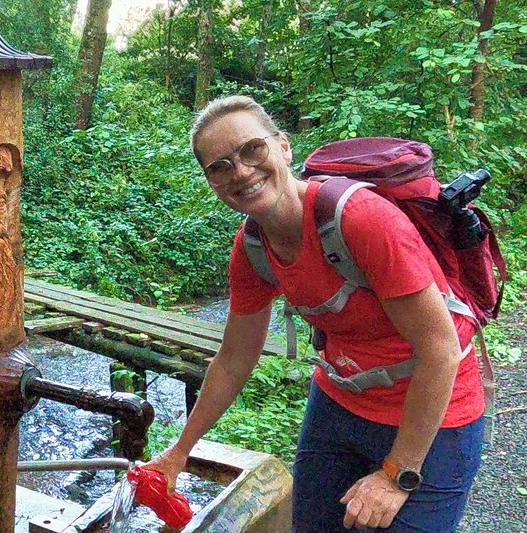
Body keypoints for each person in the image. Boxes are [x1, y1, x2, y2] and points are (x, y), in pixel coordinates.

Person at [143, 95, 484, 532]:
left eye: (252, 149)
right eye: (219, 166)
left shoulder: (361, 220)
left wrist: (398, 475)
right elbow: (233, 360)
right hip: (340, 404)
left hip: (435, 417)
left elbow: (441, 350)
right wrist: (179, 450)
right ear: (211, 181)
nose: (241, 172)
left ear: (283, 147)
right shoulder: (251, 249)